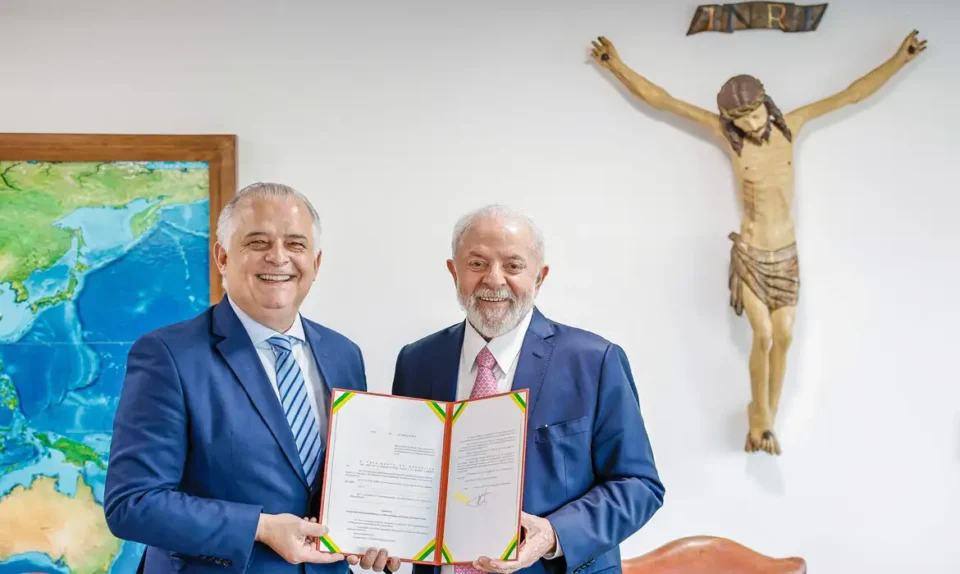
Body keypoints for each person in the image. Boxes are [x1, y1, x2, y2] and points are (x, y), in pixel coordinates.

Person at [588, 31, 926, 455]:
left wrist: (899, 59)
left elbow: (850, 94)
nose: (751, 124)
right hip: (750, 255)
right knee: (762, 334)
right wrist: (617, 66)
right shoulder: (729, 138)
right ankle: (760, 417)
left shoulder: (792, 127)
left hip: (786, 256)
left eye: (755, 114)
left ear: (767, 103)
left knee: (784, 335)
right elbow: (665, 101)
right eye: (742, 120)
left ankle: (766, 421)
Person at [104, 182, 402, 573]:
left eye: (295, 244)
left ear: (315, 262)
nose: (278, 257)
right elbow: (132, 504)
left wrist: (380, 531)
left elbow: (352, 483)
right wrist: (259, 528)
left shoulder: (344, 354)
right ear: (223, 257)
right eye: (258, 242)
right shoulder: (169, 355)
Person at [391, 205, 665, 574]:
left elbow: (639, 485)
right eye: (477, 263)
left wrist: (554, 533)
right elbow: (405, 477)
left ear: (540, 277)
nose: (494, 279)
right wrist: (382, 532)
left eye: (513, 265)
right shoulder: (417, 362)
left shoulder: (595, 361)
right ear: (454, 272)